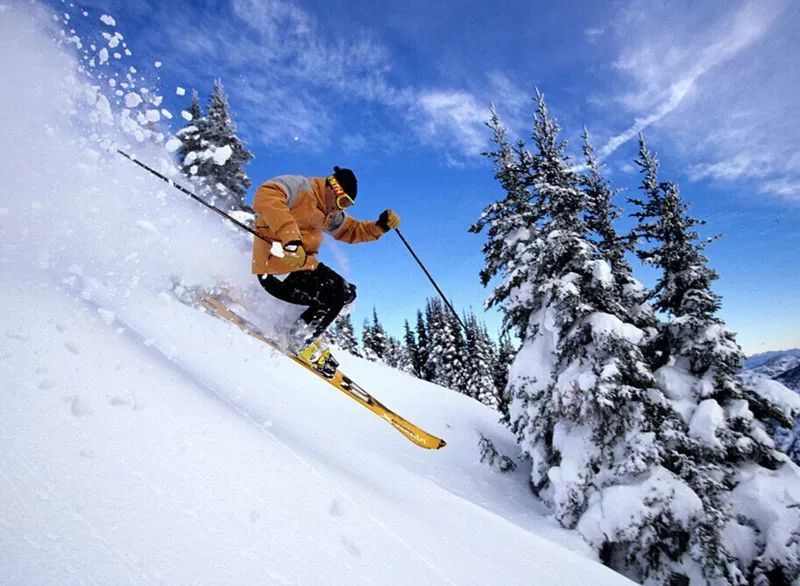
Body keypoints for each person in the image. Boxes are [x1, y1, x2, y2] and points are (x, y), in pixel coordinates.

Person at [251, 166, 400, 377]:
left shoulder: (329, 213)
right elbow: (266, 194)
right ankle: (297, 338)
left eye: (347, 205)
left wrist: (380, 227)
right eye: (342, 202)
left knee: (347, 292)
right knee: (334, 296)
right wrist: (290, 238)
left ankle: (298, 328)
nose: (341, 209)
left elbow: (350, 230)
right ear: (332, 188)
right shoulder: (300, 188)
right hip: (276, 266)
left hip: (302, 266)